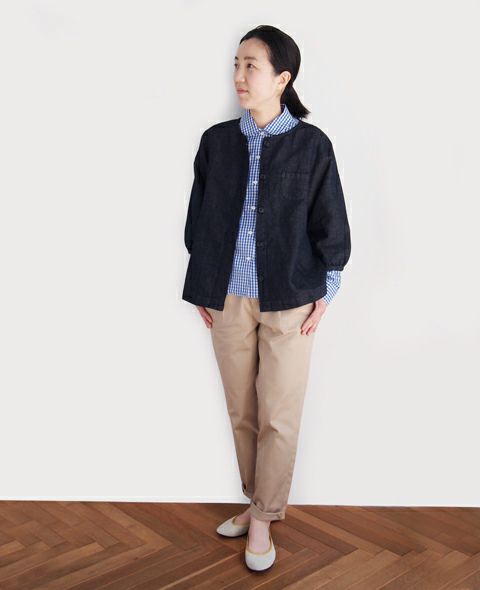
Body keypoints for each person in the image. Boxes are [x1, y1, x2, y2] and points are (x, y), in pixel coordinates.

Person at [182, 25, 351, 571]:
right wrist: (205, 282)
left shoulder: (312, 145)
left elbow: (331, 222)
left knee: (279, 413)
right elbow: (199, 221)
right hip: (227, 297)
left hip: (290, 299)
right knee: (243, 412)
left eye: (250, 65)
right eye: (236, 64)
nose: (238, 75)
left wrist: (327, 290)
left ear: (282, 78)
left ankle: (263, 518)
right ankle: (257, 502)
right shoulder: (216, 142)